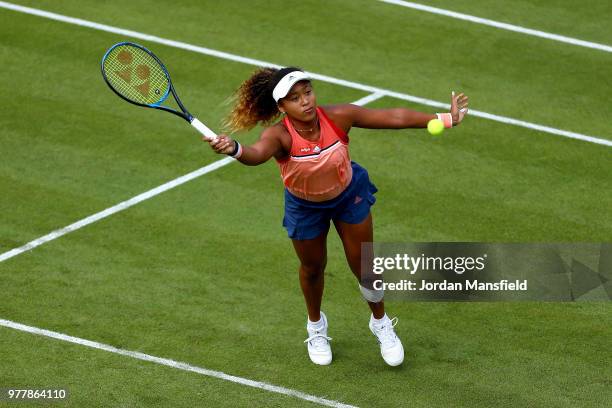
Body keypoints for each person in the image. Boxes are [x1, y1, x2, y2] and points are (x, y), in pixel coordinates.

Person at [207, 67, 469, 366]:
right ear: (282, 107)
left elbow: (392, 117)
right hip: (305, 207)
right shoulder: (279, 135)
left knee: (365, 267)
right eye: (295, 98)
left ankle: (381, 323)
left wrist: (445, 119)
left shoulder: (338, 116)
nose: (305, 101)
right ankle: (316, 326)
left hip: (347, 196)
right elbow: (257, 154)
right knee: (313, 268)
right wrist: (235, 149)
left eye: (307, 92)